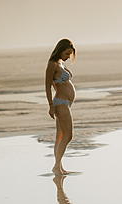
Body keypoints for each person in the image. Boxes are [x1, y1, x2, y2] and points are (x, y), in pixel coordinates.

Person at [45, 39, 76, 175]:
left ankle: (59, 167)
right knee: (68, 135)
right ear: (60, 50)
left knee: (60, 136)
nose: (69, 56)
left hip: (65, 103)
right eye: (67, 53)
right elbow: (47, 86)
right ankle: (56, 166)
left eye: (70, 54)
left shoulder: (60, 63)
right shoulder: (52, 65)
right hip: (60, 102)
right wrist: (51, 105)